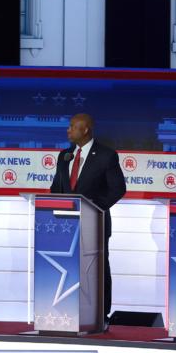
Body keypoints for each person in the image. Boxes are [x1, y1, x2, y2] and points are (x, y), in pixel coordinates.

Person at [48, 112, 125, 326]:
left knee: (99, 268)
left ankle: (101, 314)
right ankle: (67, 308)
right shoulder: (65, 156)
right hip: (66, 225)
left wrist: (94, 208)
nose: (68, 130)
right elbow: (56, 189)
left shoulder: (106, 155)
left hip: (95, 223)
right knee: (68, 267)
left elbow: (118, 189)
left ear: (86, 129)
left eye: (73, 126)